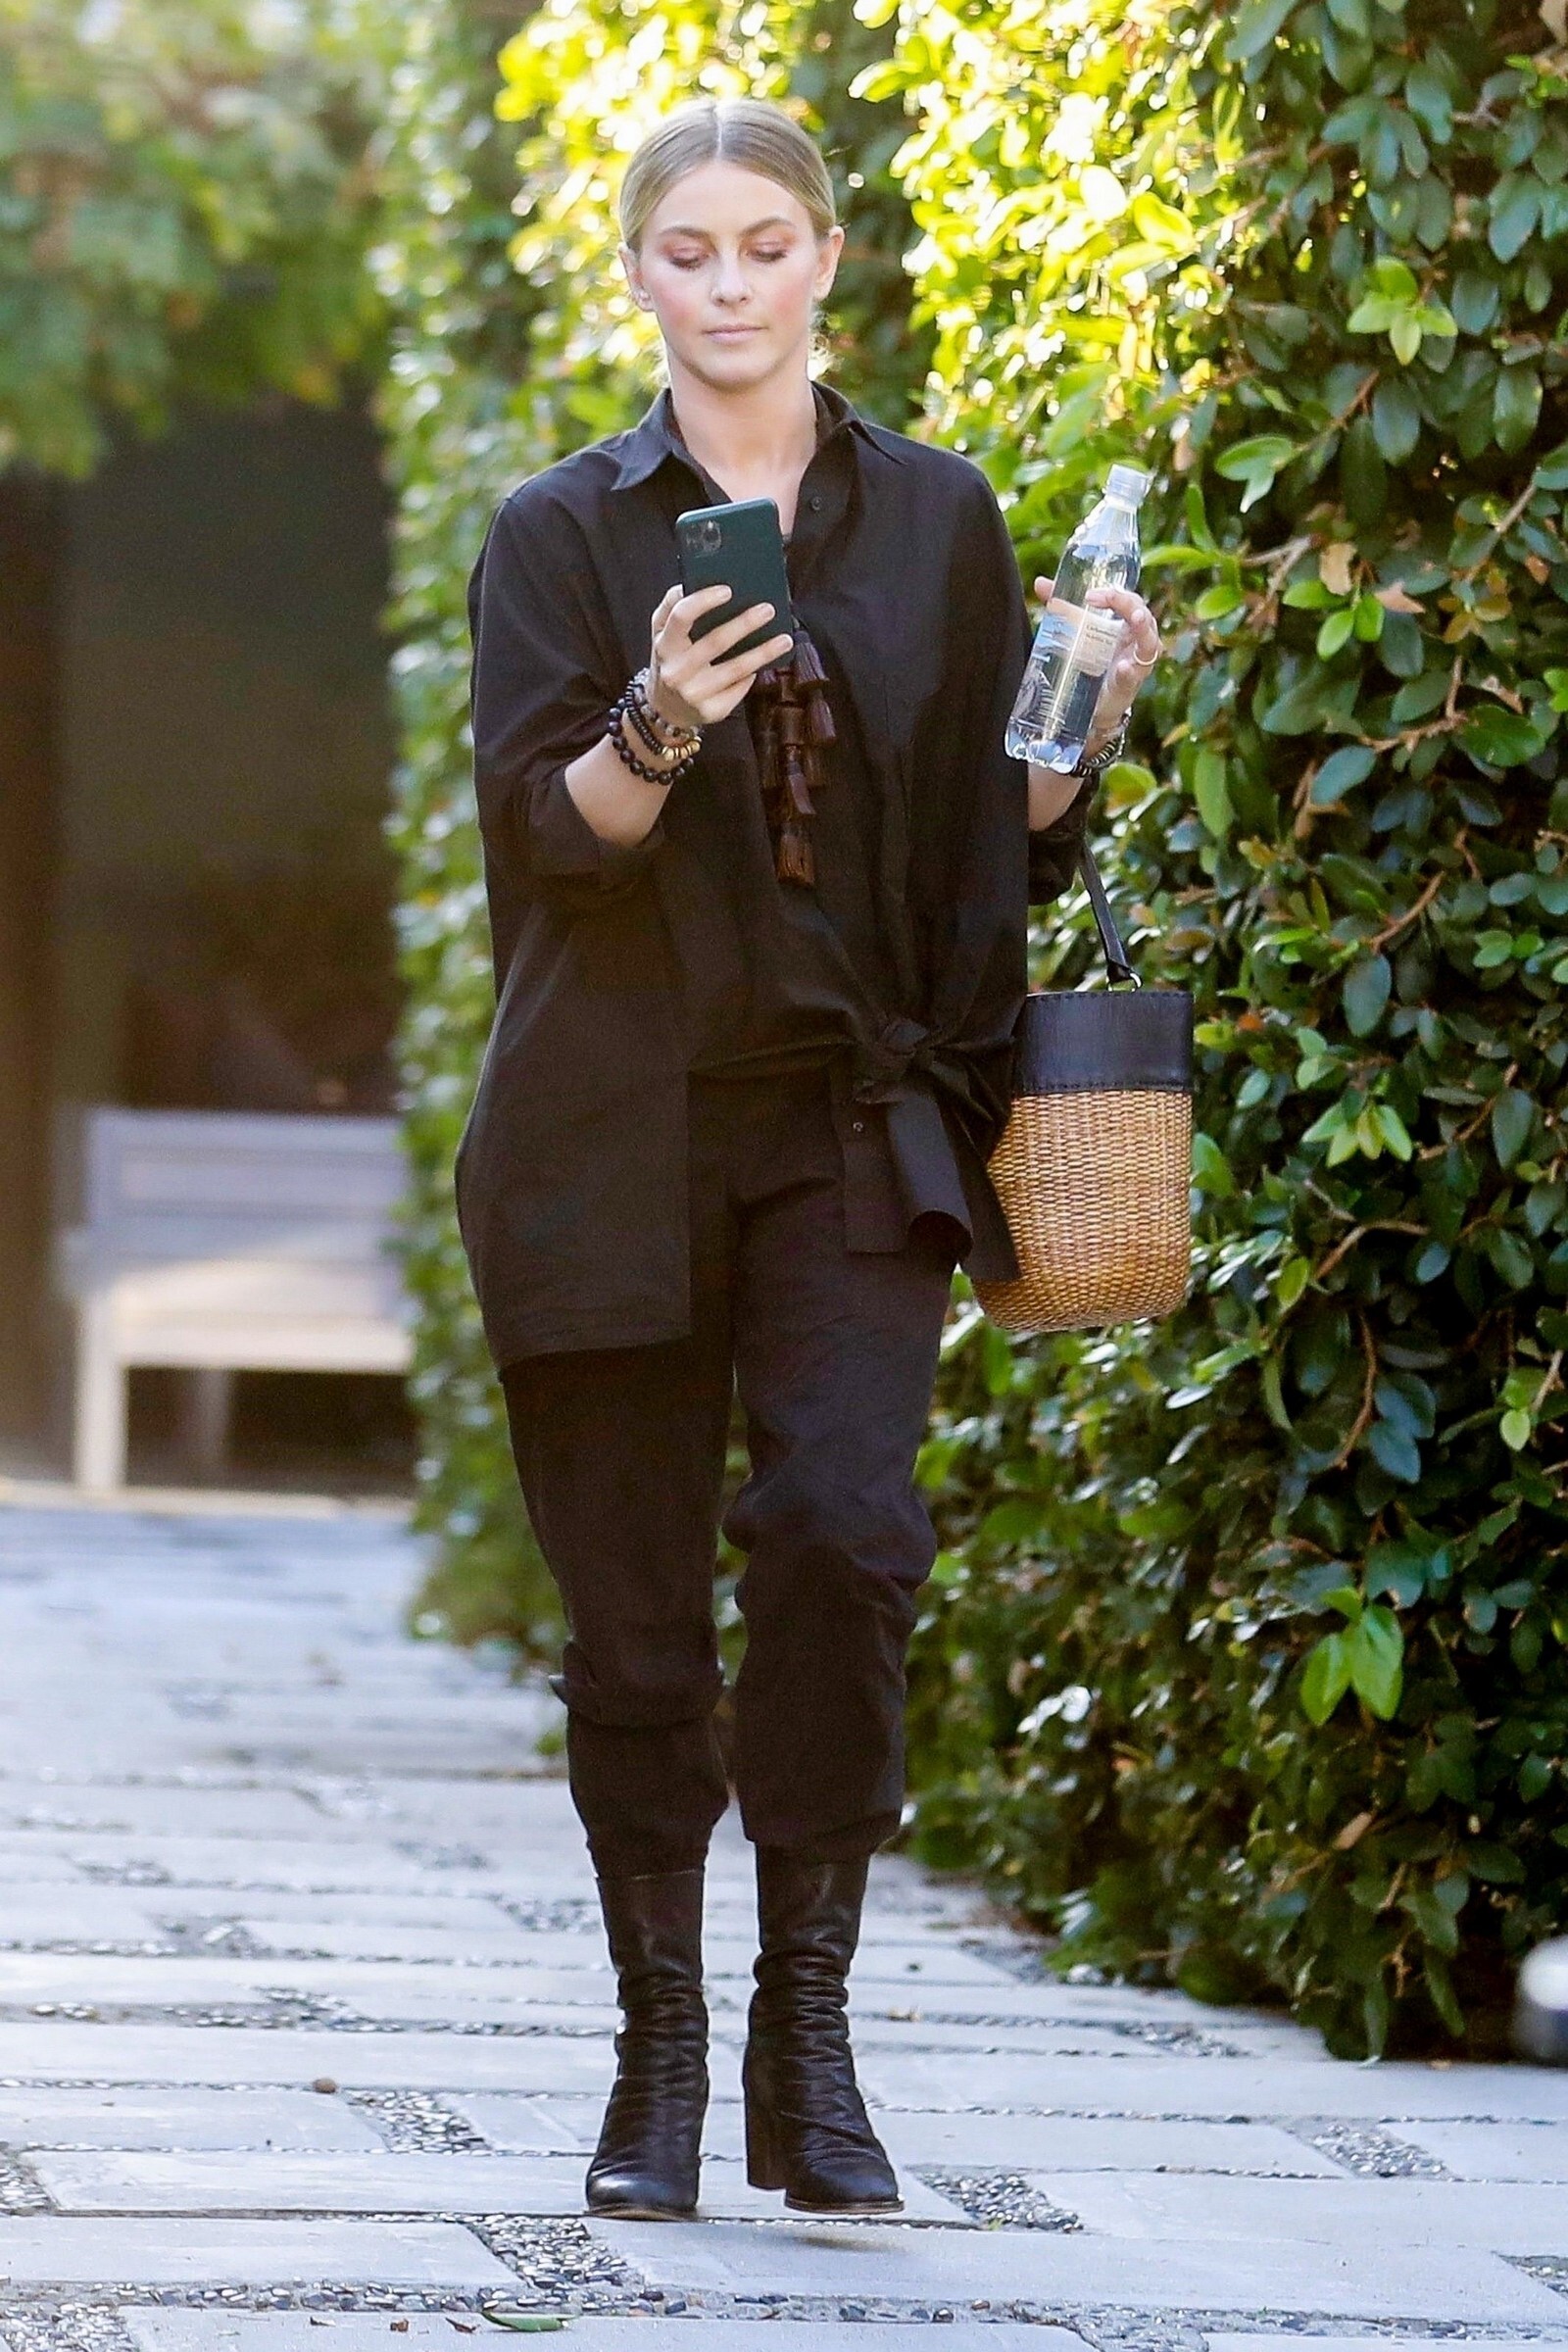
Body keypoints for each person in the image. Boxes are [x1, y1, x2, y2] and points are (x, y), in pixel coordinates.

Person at [459, 95, 1162, 2223]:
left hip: (853, 1119)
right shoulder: (559, 531)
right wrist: (659, 719)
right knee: (635, 1632)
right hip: (607, 1128)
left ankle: (810, 2030)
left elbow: (990, 832)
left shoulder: (934, 516)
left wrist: (1083, 719)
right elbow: (541, 840)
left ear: (826, 258)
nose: (731, 285)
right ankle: (659, 2048)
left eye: (766, 244)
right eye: (688, 250)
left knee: (848, 1538)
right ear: (637, 277)